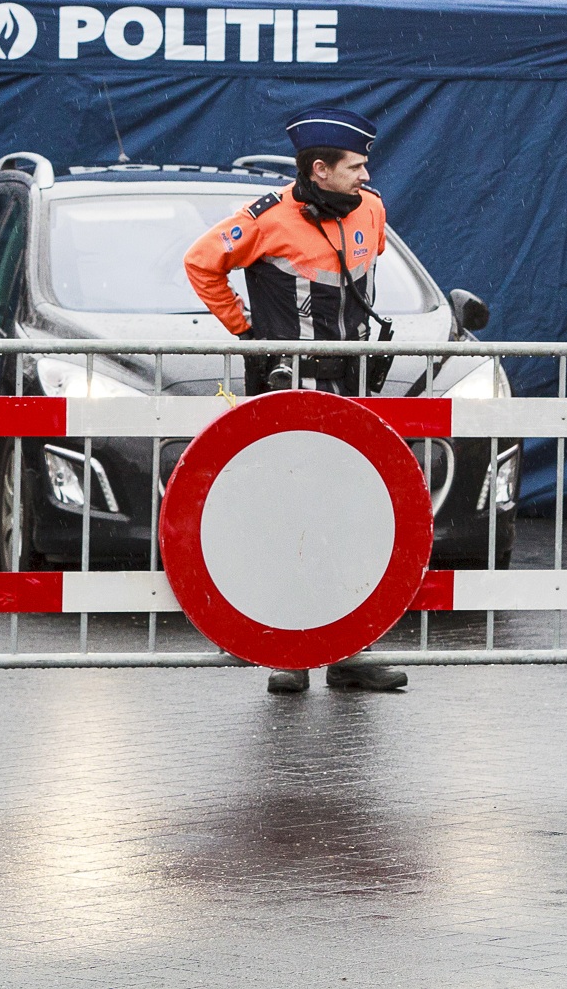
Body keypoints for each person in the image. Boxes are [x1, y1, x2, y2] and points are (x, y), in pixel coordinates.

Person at [183, 107, 405, 695]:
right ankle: (290, 651)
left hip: (352, 390)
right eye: (355, 166)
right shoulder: (267, 217)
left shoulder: (373, 209)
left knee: (355, 516)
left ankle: (350, 650)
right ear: (320, 170)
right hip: (289, 391)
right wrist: (247, 333)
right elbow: (201, 263)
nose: (366, 174)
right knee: (291, 516)